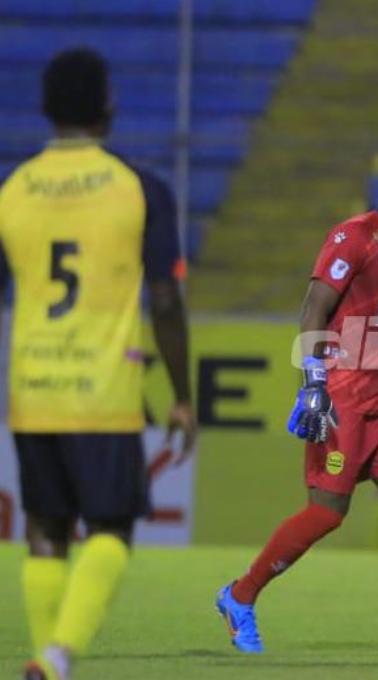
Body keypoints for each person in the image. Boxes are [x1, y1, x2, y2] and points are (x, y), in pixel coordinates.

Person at [215, 161, 378, 659]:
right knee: (327, 512)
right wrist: (313, 381)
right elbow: (314, 307)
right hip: (344, 397)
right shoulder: (354, 236)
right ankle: (240, 595)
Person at [0, 48, 196, 680]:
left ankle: (46, 657)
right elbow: (164, 300)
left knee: (45, 528)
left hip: (34, 386)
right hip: (102, 389)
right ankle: (57, 657)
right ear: (107, 106)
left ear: (46, 107)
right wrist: (182, 395)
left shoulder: (13, 191)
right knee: (111, 526)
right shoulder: (139, 189)